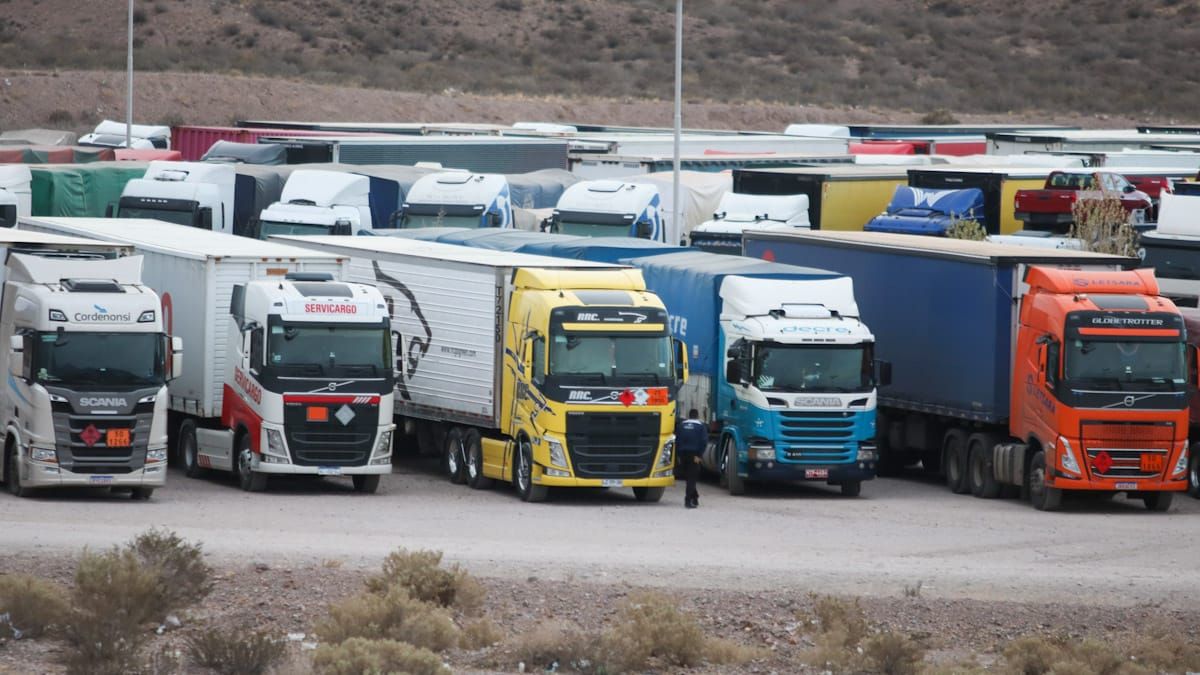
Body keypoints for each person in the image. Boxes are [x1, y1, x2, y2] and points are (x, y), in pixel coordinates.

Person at [676, 408, 706, 509]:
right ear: (697, 416)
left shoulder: (681, 425)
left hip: (683, 454)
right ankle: (688, 500)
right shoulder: (700, 426)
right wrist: (699, 455)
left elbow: (677, 440)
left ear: (689, 415)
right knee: (692, 478)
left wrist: (678, 454)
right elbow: (704, 441)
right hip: (695, 455)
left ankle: (695, 497)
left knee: (688, 477)